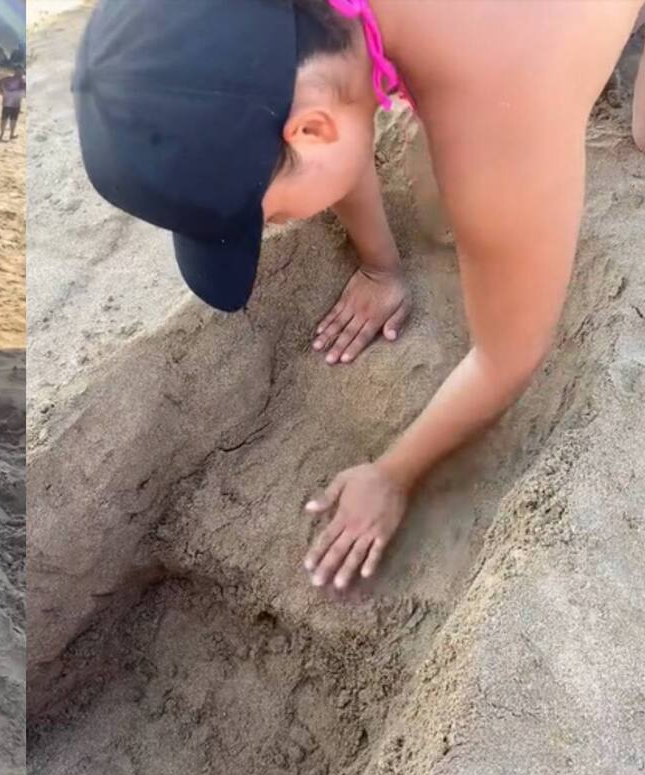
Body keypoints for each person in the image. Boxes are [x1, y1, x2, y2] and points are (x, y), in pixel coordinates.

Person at [73, 0, 643, 591]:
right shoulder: (297, 33)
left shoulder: (500, 117)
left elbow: (507, 357)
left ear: (310, 129)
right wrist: (380, 265)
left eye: (269, 217)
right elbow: (338, 113)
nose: (275, 225)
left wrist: (394, 473)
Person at [0, 66, 26, 141]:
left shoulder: (13, 80)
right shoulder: (20, 81)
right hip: (12, 104)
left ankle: (5, 135)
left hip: (12, 103)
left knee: (9, 119)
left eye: (21, 72)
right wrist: (2, 91)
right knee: (9, 119)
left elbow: (0, 82)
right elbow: (0, 83)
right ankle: (6, 135)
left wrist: (2, 91)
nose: (20, 73)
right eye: (19, 71)